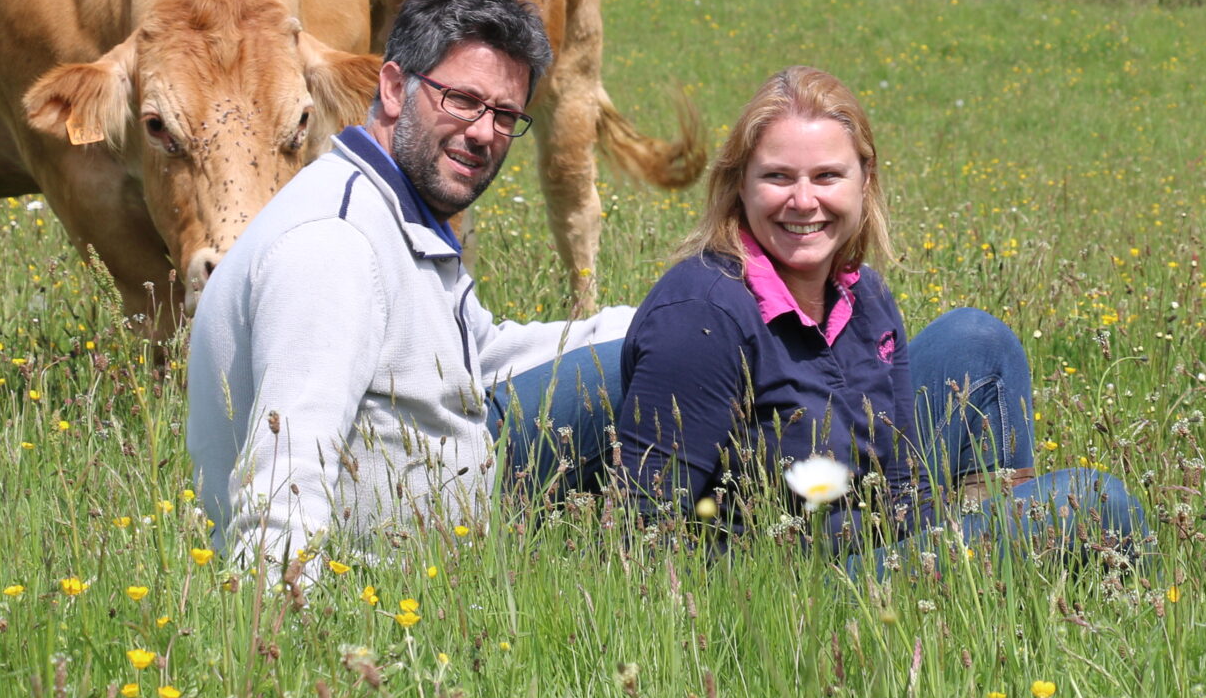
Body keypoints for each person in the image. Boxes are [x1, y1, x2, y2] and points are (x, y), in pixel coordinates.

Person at [491, 65, 1148, 569]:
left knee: (982, 339)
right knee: (1097, 500)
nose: (803, 201)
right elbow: (643, 538)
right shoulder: (703, 315)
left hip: (864, 546)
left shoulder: (864, 298)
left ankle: (988, 600)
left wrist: (945, 549)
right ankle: (1027, 575)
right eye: (778, 177)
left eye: (827, 176)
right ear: (738, 184)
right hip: (784, 594)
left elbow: (902, 484)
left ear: (865, 180)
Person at [186, 0, 635, 567]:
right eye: (464, 100)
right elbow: (284, 475)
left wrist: (646, 323)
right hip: (390, 576)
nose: (482, 133)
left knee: (661, 348)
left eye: (505, 115)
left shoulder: (394, 206)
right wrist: (279, 631)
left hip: (447, 480)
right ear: (395, 88)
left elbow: (483, 353)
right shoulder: (336, 243)